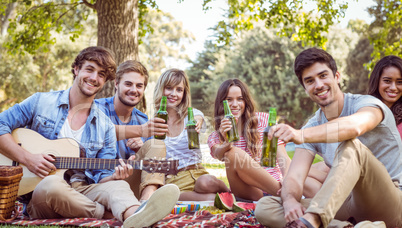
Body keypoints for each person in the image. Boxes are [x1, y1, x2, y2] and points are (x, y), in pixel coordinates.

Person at [0, 46, 179, 228]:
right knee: (52, 185)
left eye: (101, 74)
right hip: (40, 191)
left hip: (83, 188)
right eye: (89, 69)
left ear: (105, 81)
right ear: (76, 69)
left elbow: (102, 176)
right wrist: (27, 158)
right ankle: (105, 214)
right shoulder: (41, 102)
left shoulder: (104, 125)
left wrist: (115, 177)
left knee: (119, 187)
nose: (94, 78)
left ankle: (138, 215)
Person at [255, 47, 402, 228]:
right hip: (345, 203)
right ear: (305, 88)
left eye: (323, 76)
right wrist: (289, 200)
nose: (319, 85)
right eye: (310, 81)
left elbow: (354, 127)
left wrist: (300, 135)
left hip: (391, 202)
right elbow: (295, 176)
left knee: (351, 144)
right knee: (266, 207)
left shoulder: (369, 105)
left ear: (337, 76)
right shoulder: (313, 125)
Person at [96, 60, 169, 201]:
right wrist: (140, 131)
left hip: (129, 183)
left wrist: (142, 151)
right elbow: (102, 132)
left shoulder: (142, 119)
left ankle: (147, 201)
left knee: (157, 144)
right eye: (128, 84)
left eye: (139, 86)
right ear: (116, 84)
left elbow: (149, 164)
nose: (134, 90)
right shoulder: (98, 109)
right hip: (102, 183)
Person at [207, 79, 290, 201]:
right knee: (232, 153)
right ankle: (285, 196)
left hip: (275, 185)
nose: (235, 104)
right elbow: (219, 154)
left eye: (240, 99)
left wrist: (288, 180)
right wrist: (227, 142)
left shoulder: (264, 120)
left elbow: (283, 156)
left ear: (245, 101)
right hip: (249, 192)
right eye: (229, 100)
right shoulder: (215, 135)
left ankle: (284, 193)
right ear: (221, 103)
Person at [153, 69, 230, 201]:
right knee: (210, 200)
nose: (174, 94)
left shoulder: (191, 115)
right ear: (161, 89)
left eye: (179, 90)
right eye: (169, 88)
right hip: (175, 181)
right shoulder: (154, 123)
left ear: (184, 93)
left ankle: (228, 191)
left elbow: (198, 116)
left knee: (204, 183)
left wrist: (198, 120)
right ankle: (225, 199)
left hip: (198, 173)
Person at [367, 55, 402, 140]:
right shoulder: (364, 110)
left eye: (399, 82)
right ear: (377, 81)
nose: (393, 87)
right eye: (387, 81)